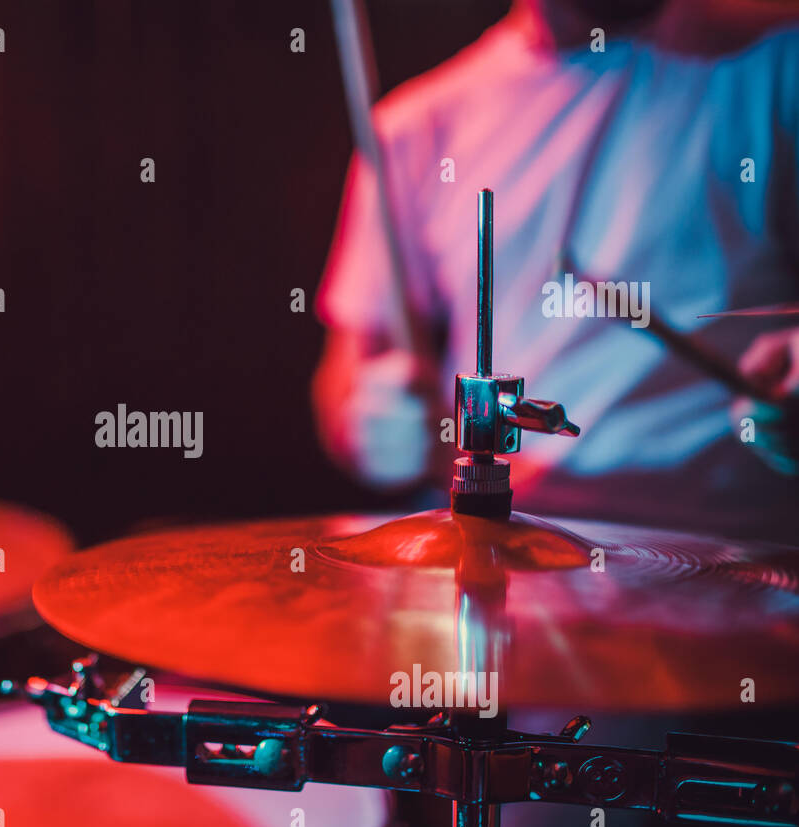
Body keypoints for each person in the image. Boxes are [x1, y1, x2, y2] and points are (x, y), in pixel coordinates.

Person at [314, 0, 799, 542]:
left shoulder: (778, 66)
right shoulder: (415, 127)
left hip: (726, 571)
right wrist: (368, 424)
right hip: (496, 558)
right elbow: (346, 376)